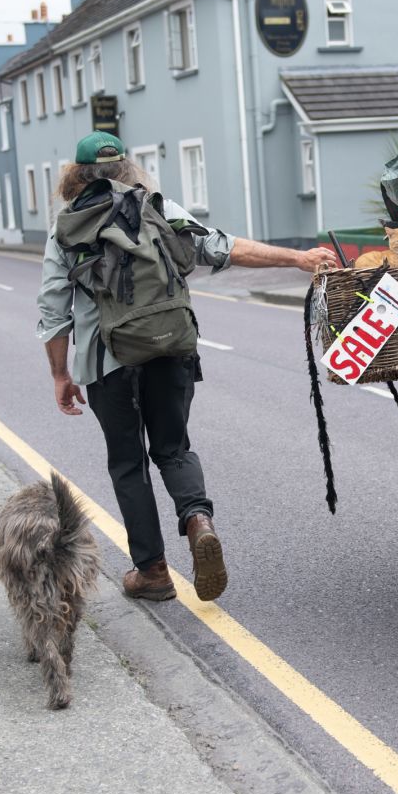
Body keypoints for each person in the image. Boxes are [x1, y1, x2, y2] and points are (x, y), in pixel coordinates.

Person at [37, 131, 336, 603]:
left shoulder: (65, 229)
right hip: (170, 349)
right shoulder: (158, 206)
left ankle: (152, 572)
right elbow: (224, 246)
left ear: (74, 176)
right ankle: (198, 521)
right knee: (174, 449)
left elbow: (54, 310)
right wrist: (297, 257)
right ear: (126, 169)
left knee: (128, 463)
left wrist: (60, 374)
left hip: (106, 364)